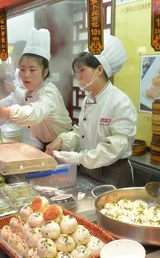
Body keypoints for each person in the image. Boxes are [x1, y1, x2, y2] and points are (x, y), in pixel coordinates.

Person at [47, 35, 137, 186]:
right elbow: (82, 132)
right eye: (77, 71)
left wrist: (79, 158)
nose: (79, 76)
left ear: (99, 70)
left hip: (113, 173)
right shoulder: (89, 99)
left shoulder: (120, 102)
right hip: (89, 169)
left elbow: (115, 146)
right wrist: (62, 140)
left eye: (82, 70)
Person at [0, 28, 72, 149]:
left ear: (45, 72)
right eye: (23, 69)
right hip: (42, 144)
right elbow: (33, 122)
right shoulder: (31, 91)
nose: (26, 75)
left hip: (62, 146)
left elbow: (35, 112)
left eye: (32, 70)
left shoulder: (49, 92)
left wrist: (6, 112)